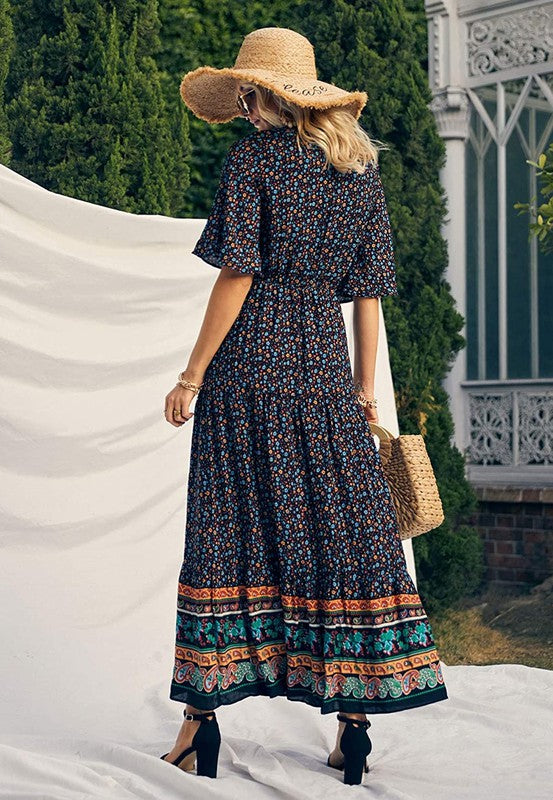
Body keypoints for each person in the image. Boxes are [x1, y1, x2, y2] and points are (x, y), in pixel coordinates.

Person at [160, 26, 448, 785]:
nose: (243, 108)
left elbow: (237, 275)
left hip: (249, 372)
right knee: (341, 535)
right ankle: (353, 727)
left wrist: (191, 375)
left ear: (265, 97)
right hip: (323, 373)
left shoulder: (253, 161)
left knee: (229, 529)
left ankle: (200, 725)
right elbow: (368, 298)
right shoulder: (358, 172)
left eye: (246, 95)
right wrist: (363, 391)